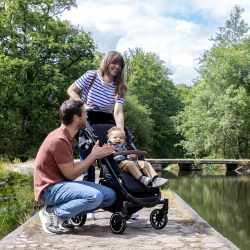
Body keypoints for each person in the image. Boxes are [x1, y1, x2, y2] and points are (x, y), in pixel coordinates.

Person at [67, 51, 140, 219]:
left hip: (107, 122)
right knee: (89, 165)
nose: (117, 67)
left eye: (120, 65)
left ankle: (124, 201)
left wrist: (120, 131)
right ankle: (88, 205)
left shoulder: (119, 85)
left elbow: (118, 111)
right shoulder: (91, 76)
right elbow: (71, 90)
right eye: (114, 63)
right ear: (107, 62)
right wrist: (82, 104)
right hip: (88, 120)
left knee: (120, 160)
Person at [34, 100, 116, 234]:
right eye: (85, 114)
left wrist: (92, 158)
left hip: (61, 185)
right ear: (75, 118)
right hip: (49, 189)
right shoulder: (59, 139)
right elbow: (70, 174)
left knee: (110, 196)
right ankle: (52, 213)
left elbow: (69, 167)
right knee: (94, 197)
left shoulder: (68, 136)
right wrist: (92, 156)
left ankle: (64, 216)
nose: (87, 117)